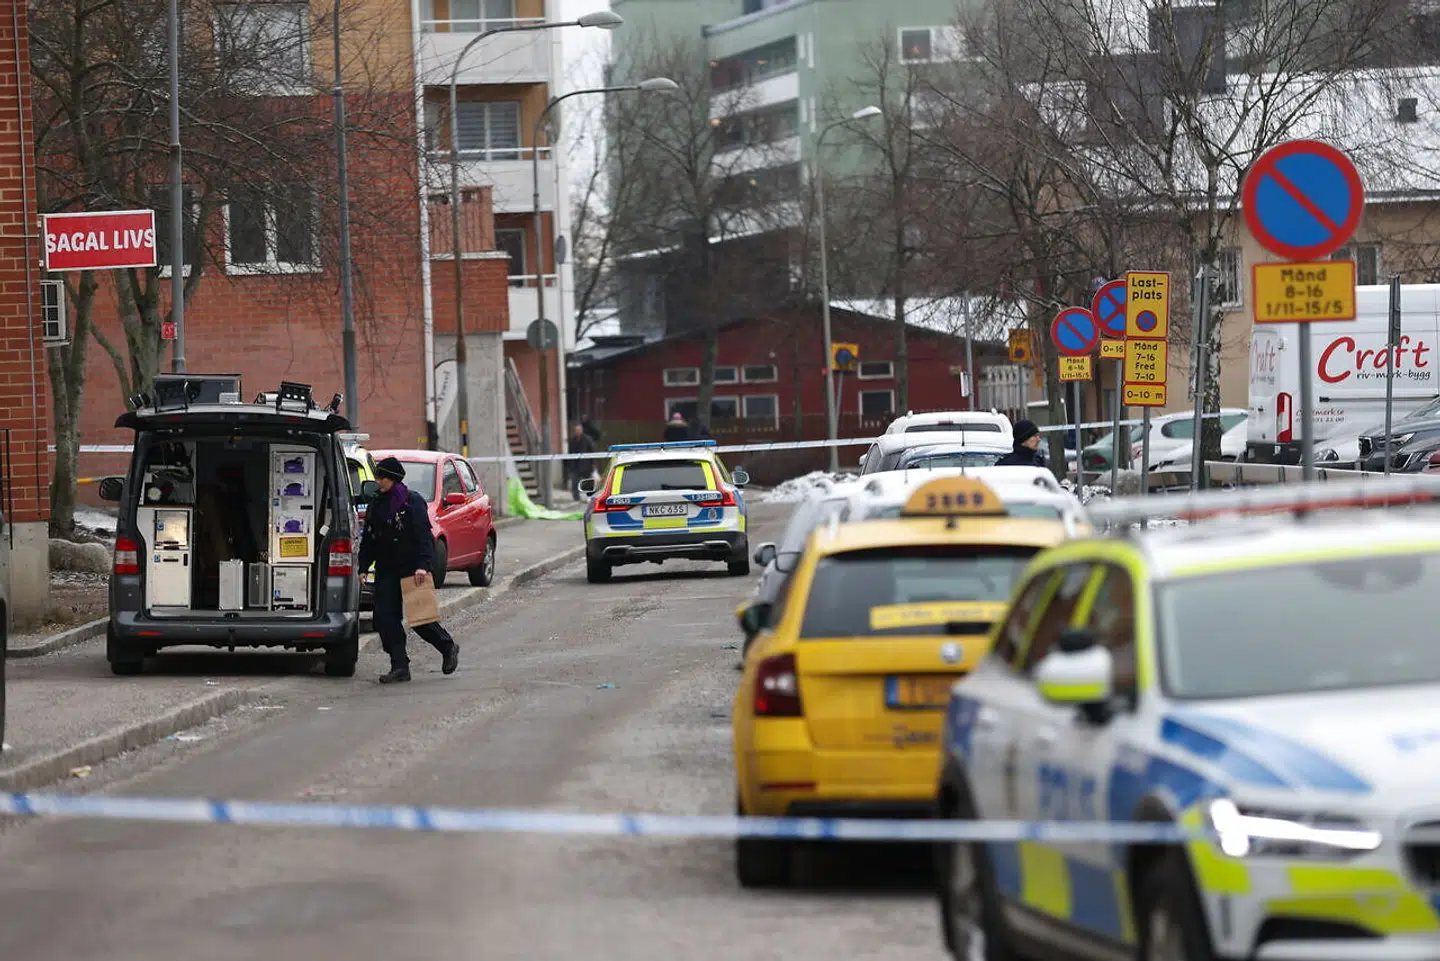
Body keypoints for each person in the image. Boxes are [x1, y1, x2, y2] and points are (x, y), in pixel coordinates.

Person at [358, 457, 459, 684]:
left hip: (413, 569)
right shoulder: (376, 503)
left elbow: (425, 537)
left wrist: (423, 565)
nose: (379, 481)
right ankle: (400, 666)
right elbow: (370, 540)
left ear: (393, 478)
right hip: (386, 570)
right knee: (385, 620)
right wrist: (363, 567)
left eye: (383, 477)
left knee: (421, 620)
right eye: (378, 477)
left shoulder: (412, 501)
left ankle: (447, 646)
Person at [566, 422, 596, 500]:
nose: (577, 431)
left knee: (588, 482)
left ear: (582, 430)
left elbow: (592, 451)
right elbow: (570, 452)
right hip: (575, 466)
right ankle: (576, 498)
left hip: (586, 465)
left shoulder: (587, 439)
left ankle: (589, 497)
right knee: (574, 482)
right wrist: (570, 465)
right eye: (576, 430)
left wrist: (592, 464)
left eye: (579, 430)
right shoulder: (572, 440)